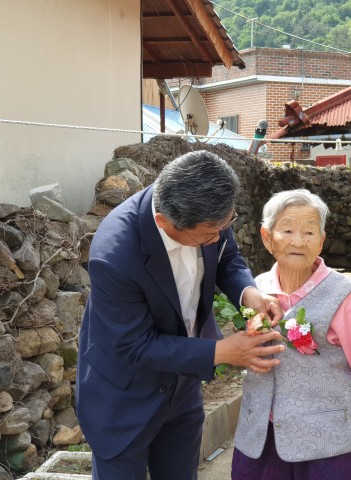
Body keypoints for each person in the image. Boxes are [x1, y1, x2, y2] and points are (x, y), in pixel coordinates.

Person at [76, 150, 286, 480]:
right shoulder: (114, 254)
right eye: (208, 233)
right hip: (125, 396)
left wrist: (250, 295)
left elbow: (227, 258)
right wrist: (224, 351)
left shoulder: (209, 213)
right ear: (165, 222)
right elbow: (134, 346)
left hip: (183, 386)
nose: (218, 236)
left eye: (224, 225)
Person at [231, 189, 351, 480]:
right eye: (287, 230)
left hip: (328, 449)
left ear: (322, 240)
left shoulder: (346, 297)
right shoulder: (255, 290)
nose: (299, 241)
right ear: (267, 237)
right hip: (259, 444)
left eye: (309, 232)